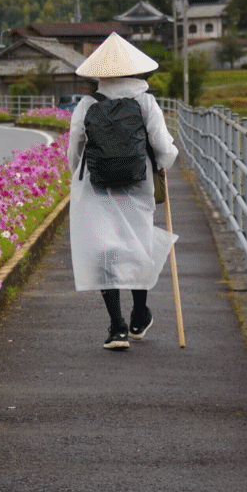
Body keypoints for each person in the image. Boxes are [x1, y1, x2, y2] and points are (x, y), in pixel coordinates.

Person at [65, 32, 178, 350]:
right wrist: (163, 164)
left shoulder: (87, 104)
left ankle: (117, 328)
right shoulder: (145, 102)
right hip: (137, 185)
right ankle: (139, 315)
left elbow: (74, 150)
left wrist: (79, 175)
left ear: (98, 72)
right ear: (134, 68)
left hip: (97, 186)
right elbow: (163, 148)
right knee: (136, 246)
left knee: (106, 251)